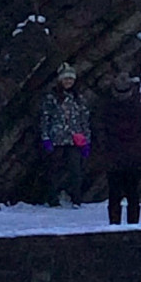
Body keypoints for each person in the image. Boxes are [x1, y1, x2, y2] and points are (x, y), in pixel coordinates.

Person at [97, 69, 141, 226]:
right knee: (131, 194)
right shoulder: (137, 108)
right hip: (131, 157)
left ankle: (115, 225)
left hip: (116, 157)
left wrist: (106, 147)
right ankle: (132, 225)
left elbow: (101, 130)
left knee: (116, 194)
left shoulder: (108, 107)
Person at [38, 62, 91, 205]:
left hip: (75, 139)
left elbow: (84, 120)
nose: (68, 82)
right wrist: (45, 138)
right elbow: (45, 118)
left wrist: (86, 140)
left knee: (76, 171)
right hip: (57, 139)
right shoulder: (51, 98)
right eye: (66, 79)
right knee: (53, 171)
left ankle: (77, 199)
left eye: (71, 79)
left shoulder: (78, 98)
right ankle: (52, 199)